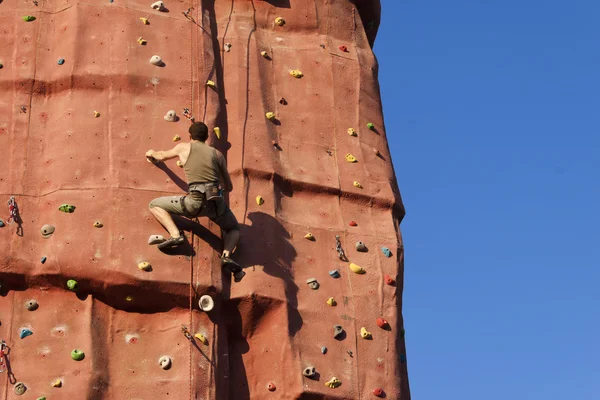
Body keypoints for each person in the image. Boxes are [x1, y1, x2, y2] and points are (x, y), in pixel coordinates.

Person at [145, 122, 244, 281]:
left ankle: (176, 235)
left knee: (154, 204)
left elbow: (161, 155)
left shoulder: (183, 148)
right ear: (206, 138)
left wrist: (151, 153)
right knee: (233, 229)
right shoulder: (217, 154)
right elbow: (229, 186)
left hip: (194, 202)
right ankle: (226, 255)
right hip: (215, 202)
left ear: (190, 136)